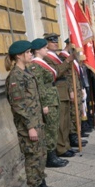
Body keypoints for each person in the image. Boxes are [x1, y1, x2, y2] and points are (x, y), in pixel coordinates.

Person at [5, 40, 62, 187]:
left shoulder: (27, 72)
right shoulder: (16, 76)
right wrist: (30, 127)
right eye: (28, 52)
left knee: (41, 155)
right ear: (19, 55)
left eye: (31, 51)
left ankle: (42, 184)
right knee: (33, 158)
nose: (31, 54)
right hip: (28, 126)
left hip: (37, 122)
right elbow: (18, 106)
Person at [30, 38, 68, 168]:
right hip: (48, 101)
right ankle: (50, 157)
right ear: (37, 50)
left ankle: (53, 155)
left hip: (53, 98)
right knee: (50, 129)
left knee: (54, 127)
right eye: (44, 48)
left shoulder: (41, 62)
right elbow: (39, 86)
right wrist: (44, 104)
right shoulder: (35, 64)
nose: (47, 49)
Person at [43, 33, 76, 158]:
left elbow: (66, 74)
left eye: (56, 41)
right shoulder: (46, 59)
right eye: (52, 41)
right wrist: (67, 61)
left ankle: (66, 145)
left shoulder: (55, 56)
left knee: (66, 122)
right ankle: (61, 148)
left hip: (64, 91)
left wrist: (70, 90)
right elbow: (56, 73)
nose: (55, 43)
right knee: (60, 123)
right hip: (57, 92)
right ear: (46, 43)